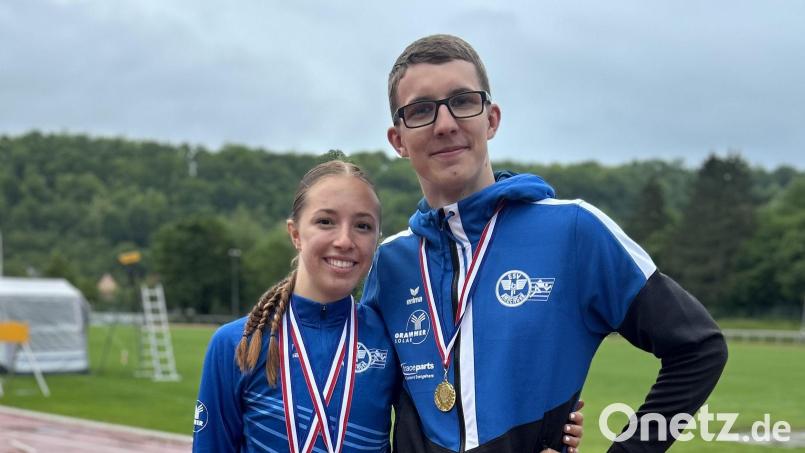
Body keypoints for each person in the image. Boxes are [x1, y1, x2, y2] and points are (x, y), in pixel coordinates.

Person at [362, 34, 728, 452]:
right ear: (398, 140)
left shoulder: (573, 231)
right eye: (421, 110)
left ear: (491, 119)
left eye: (463, 101)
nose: (445, 124)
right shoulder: (390, 263)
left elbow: (698, 348)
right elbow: (350, 392)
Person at [192, 160, 584, 452]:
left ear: (376, 238)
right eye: (325, 222)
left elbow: (457, 409)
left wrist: (548, 426)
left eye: (363, 226)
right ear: (296, 233)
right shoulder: (237, 344)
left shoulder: (390, 336)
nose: (345, 240)